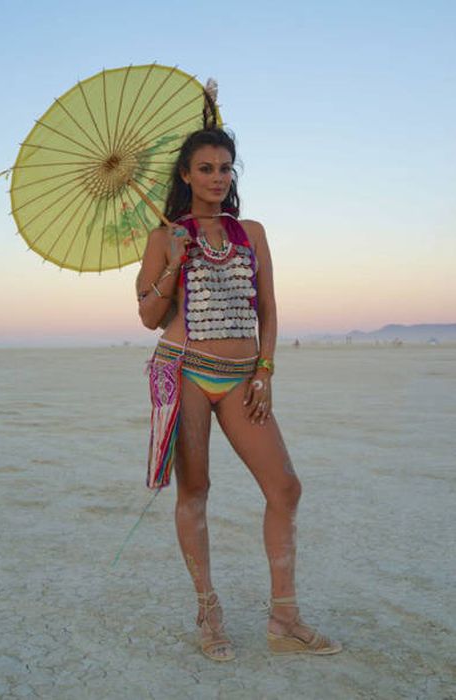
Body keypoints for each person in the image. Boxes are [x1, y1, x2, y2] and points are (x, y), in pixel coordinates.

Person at [136, 127, 342, 661]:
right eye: (205, 168)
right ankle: (209, 613)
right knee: (196, 491)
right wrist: (176, 261)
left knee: (285, 488)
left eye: (225, 168)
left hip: (243, 375)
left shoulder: (251, 232)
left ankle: (285, 617)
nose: (217, 177)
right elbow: (148, 316)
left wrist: (264, 371)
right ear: (186, 175)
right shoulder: (165, 235)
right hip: (187, 371)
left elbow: (268, 309)